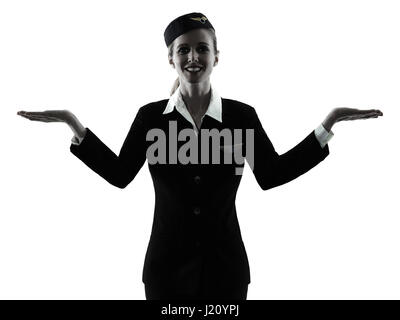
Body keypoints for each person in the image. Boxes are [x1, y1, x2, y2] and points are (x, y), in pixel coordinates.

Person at [17, 12, 383, 300]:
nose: (193, 56)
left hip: (226, 270)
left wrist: (327, 125)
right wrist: (74, 125)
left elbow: (272, 174)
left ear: (216, 56)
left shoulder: (241, 117)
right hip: (165, 271)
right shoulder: (151, 117)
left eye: (202, 48)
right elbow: (120, 174)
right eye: (184, 49)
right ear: (171, 58)